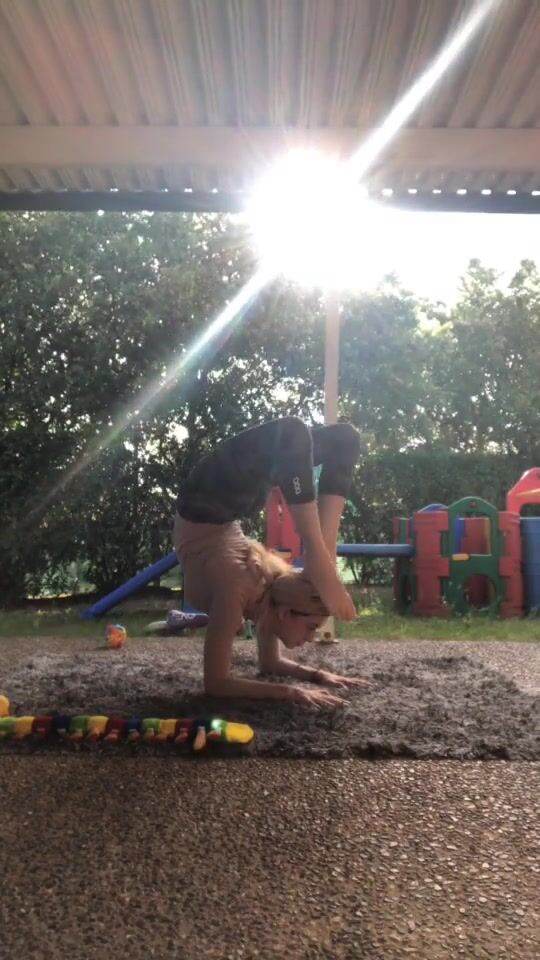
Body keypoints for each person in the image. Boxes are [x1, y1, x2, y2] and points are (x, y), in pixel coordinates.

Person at [174, 417, 369, 707]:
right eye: (311, 627)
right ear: (287, 613)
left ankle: (321, 553)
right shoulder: (244, 592)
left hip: (217, 504)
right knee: (338, 438)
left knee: (318, 437)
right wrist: (290, 693)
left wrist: (317, 676)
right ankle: (320, 554)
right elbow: (216, 683)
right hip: (209, 502)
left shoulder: (261, 597)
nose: (311, 638)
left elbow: (269, 664)